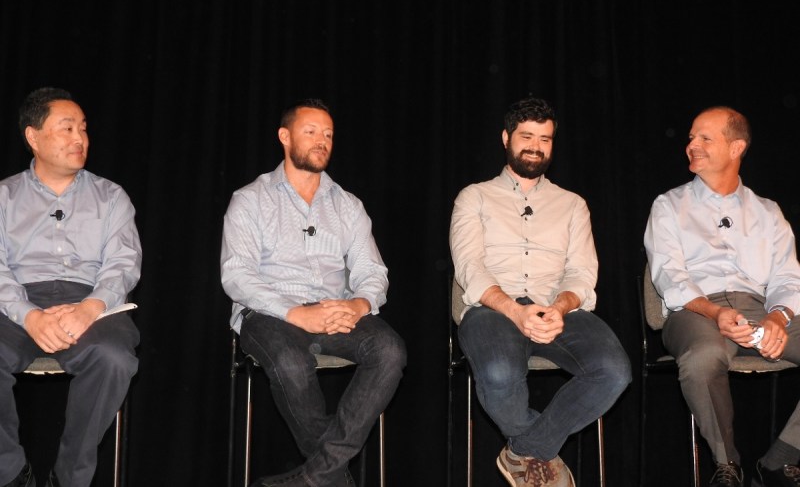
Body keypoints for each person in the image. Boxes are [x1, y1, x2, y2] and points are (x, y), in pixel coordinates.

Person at [221, 99, 406, 487]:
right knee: (290, 363)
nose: (322, 140)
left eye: (328, 134)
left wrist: (358, 304)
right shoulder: (251, 199)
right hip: (270, 314)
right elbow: (237, 275)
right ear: (284, 137)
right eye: (311, 131)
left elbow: (373, 271)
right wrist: (295, 313)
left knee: (390, 351)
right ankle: (334, 479)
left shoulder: (347, 205)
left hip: (336, 310)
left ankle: (314, 479)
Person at [450, 97, 631, 487]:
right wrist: (516, 311)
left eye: (545, 138)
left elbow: (583, 273)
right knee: (500, 373)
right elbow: (469, 268)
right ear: (506, 138)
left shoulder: (572, 205)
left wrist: (560, 308)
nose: (535, 146)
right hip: (493, 310)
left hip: (558, 311)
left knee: (614, 372)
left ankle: (523, 452)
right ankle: (542, 453)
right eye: (526, 136)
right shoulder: (474, 197)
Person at [645, 106, 800, 487]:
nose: (691, 145)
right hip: (696, 311)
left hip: (759, 310)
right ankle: (727, 464)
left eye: (704, 138)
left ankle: (779, 460)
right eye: (690, 138)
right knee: (703, 359)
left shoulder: (768, 212)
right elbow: (669, 275)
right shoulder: (669, 206)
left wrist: (778, 317)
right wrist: (715, 313)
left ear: (736, 148)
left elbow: (787, 276)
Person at [0, 88, 141, 487]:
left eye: (83, 128)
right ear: (33, 136)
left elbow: (123, 263)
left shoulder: (111, 196)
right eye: (66, 128)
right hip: (17, 301)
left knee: (114, 359)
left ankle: (68, 479)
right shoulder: (4, 196)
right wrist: (28, 315)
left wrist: (89, 308)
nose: (80, 138)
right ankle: (11, 475)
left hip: (91, 300)